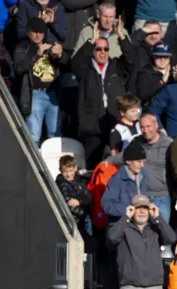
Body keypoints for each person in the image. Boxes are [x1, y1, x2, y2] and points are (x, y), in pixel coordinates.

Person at [72, 21, 134, 168]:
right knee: (94, 166)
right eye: (98, 49)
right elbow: (75, 63)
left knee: (118, 163)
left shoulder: (116, 66)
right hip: (92, 125)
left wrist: (122, 37)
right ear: (93, 51)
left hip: (114, 121)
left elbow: (132, 61)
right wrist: (91, 40)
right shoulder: (85, 69)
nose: (103, 52)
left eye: (106, 49)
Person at [106, 113, 174, 224]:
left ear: (156, 125)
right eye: (142, 127)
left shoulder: (168, 144)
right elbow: (123, 157)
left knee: (162, 232)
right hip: (141, 197)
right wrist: (106, 162)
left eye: (148, 126)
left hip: (161, 196)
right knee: (142, 234)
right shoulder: (137, 142)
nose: (145, 130)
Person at [107, 194, 177, 289]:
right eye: (138, 208)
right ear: (132, 210)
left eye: (145, 208)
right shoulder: (124, 227)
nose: (142, 212)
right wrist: (125, 217)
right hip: (129, 287)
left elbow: (171, 238)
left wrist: (158, 217)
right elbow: (112, 237)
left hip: (154, 287)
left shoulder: (155, 228)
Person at [14, 17, 66, 146]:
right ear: (28, 32)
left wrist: (60, 55)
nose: (38, 35)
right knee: (33, 136)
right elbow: (19, 68)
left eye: (41, 32)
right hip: (34, 95)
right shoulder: (22, 47)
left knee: (55, 135)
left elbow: (67, 64)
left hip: (53, 95)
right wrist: (37, 53)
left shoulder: (51, 44)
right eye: (34, 32)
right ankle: (32, 166)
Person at [101, 140, 150, 223]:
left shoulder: (142, 175)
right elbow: (106, 205)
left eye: (143, 161)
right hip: (121, 224)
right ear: (128, 161)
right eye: (139, 161)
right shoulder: (117, 178)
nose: (142, 165)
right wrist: (128, 210)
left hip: (139, 224)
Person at [130, 41, 177, 108]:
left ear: (170, 57)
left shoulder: (175, 71)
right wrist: (162, 82)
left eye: (165, 56)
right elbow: (143, 95)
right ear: (153, 57)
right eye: (159, 56)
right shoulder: (145, 73)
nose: (162, 59)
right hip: (152, 111)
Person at [55, 154, 91, 230]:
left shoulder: (79, 180)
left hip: (82, 220)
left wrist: (79, 201)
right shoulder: (62, 184)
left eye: (71, 171)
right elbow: (68, 205)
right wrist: (84, 213)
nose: (68, 174)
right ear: (60, 170)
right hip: (72, 223)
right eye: (65, 171)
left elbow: (88, 196)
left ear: (75, 168)